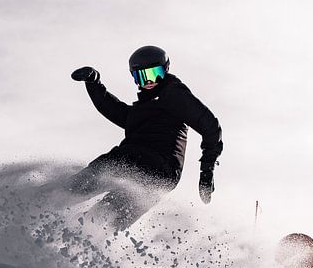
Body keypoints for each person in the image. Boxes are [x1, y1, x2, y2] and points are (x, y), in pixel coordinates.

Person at [69, 45, 223, 228]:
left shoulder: (173, 93)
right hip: (160, 178)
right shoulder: (146, 105)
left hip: (151, 162)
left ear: (166, 69)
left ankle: (50, 197)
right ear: (134, 78)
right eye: (142, 76)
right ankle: (61, 240)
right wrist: (94, 83)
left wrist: (207, 171)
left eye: (155, 73)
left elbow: (211, 127)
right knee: (101, 220)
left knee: (82, 187)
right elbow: (120, 114)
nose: (149, 80)